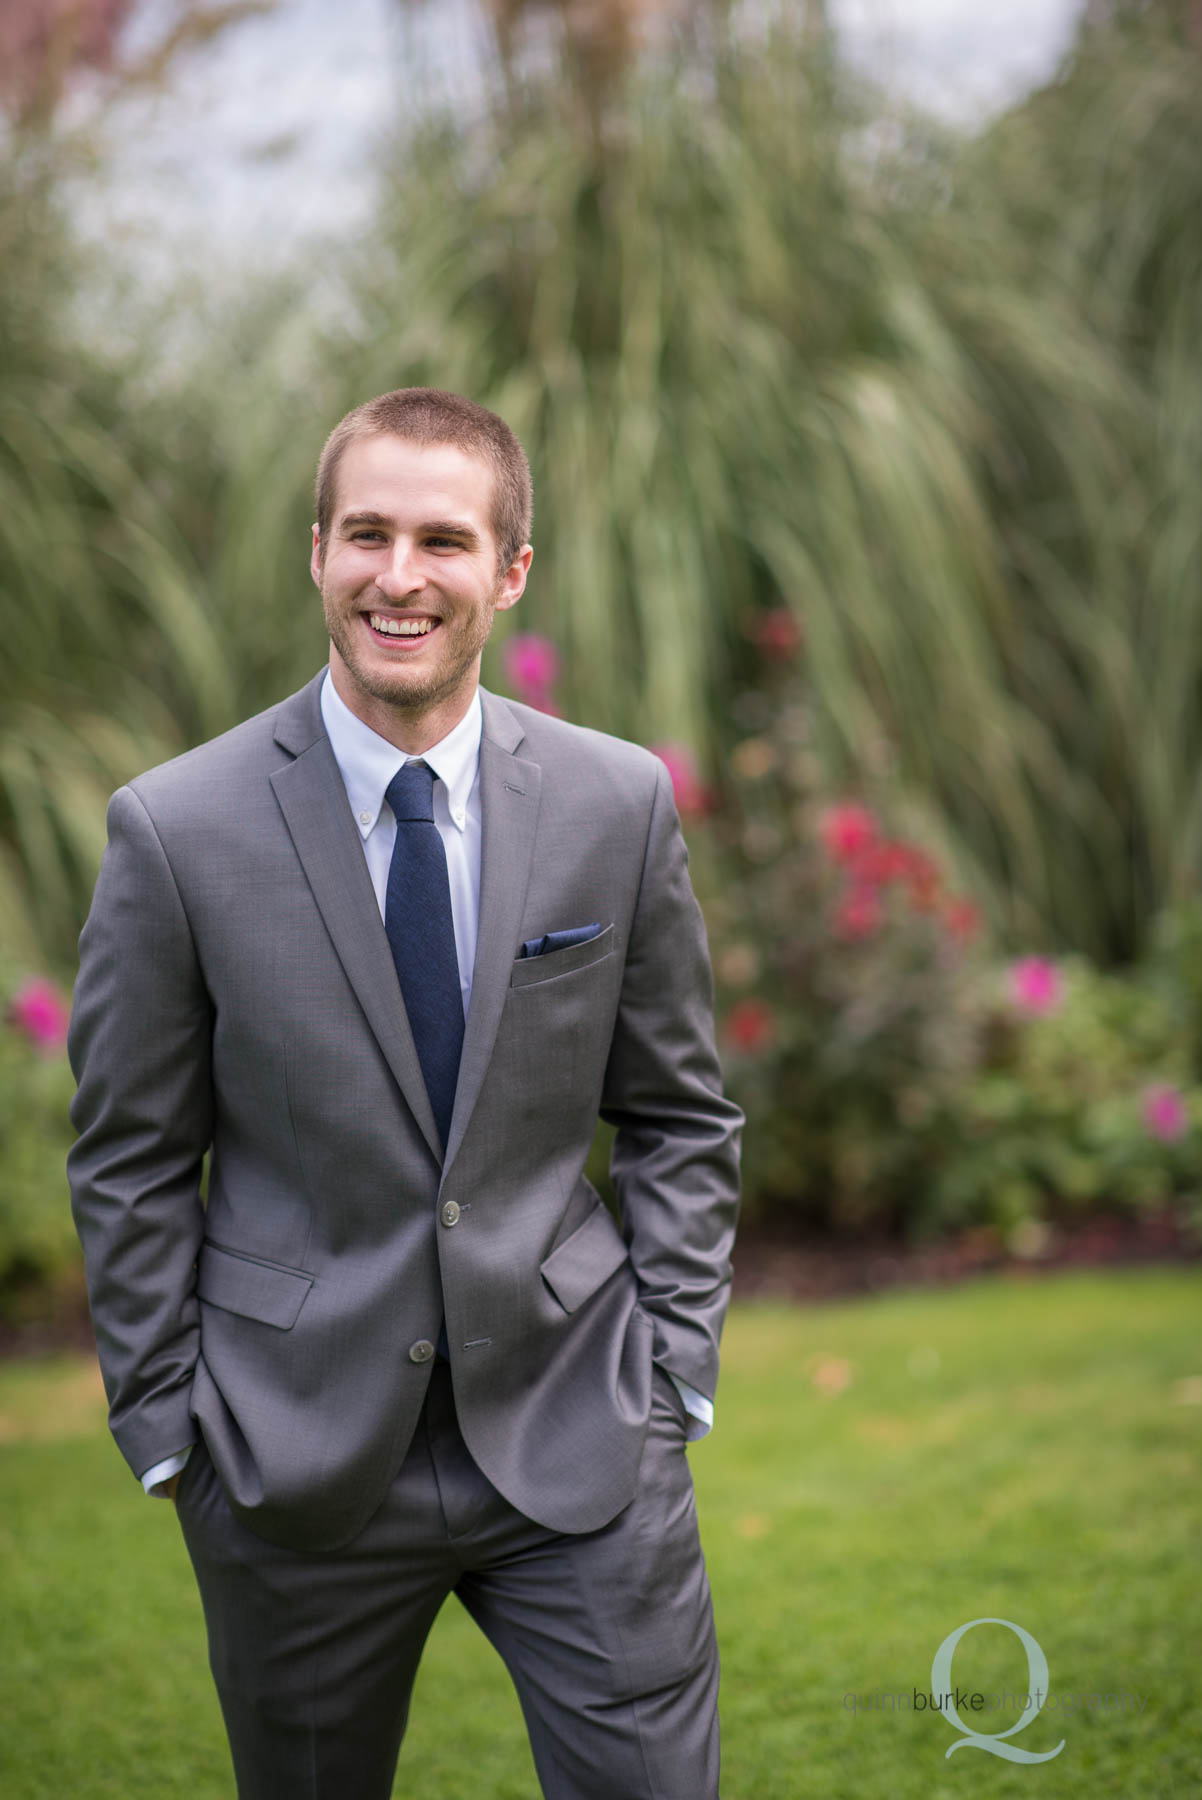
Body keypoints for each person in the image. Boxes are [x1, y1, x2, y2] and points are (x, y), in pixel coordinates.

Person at [67, 386, 743, 1800]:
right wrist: (165, 1423)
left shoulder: (614, 804)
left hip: (580, 1429)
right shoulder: (176, 830)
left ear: (507, 572)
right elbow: (131, 1155)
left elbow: (678, 1109)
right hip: (288, 1452)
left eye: (441, 539)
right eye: (365, 533)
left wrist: (673, 1360)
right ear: (316, 551)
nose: (398, 575)